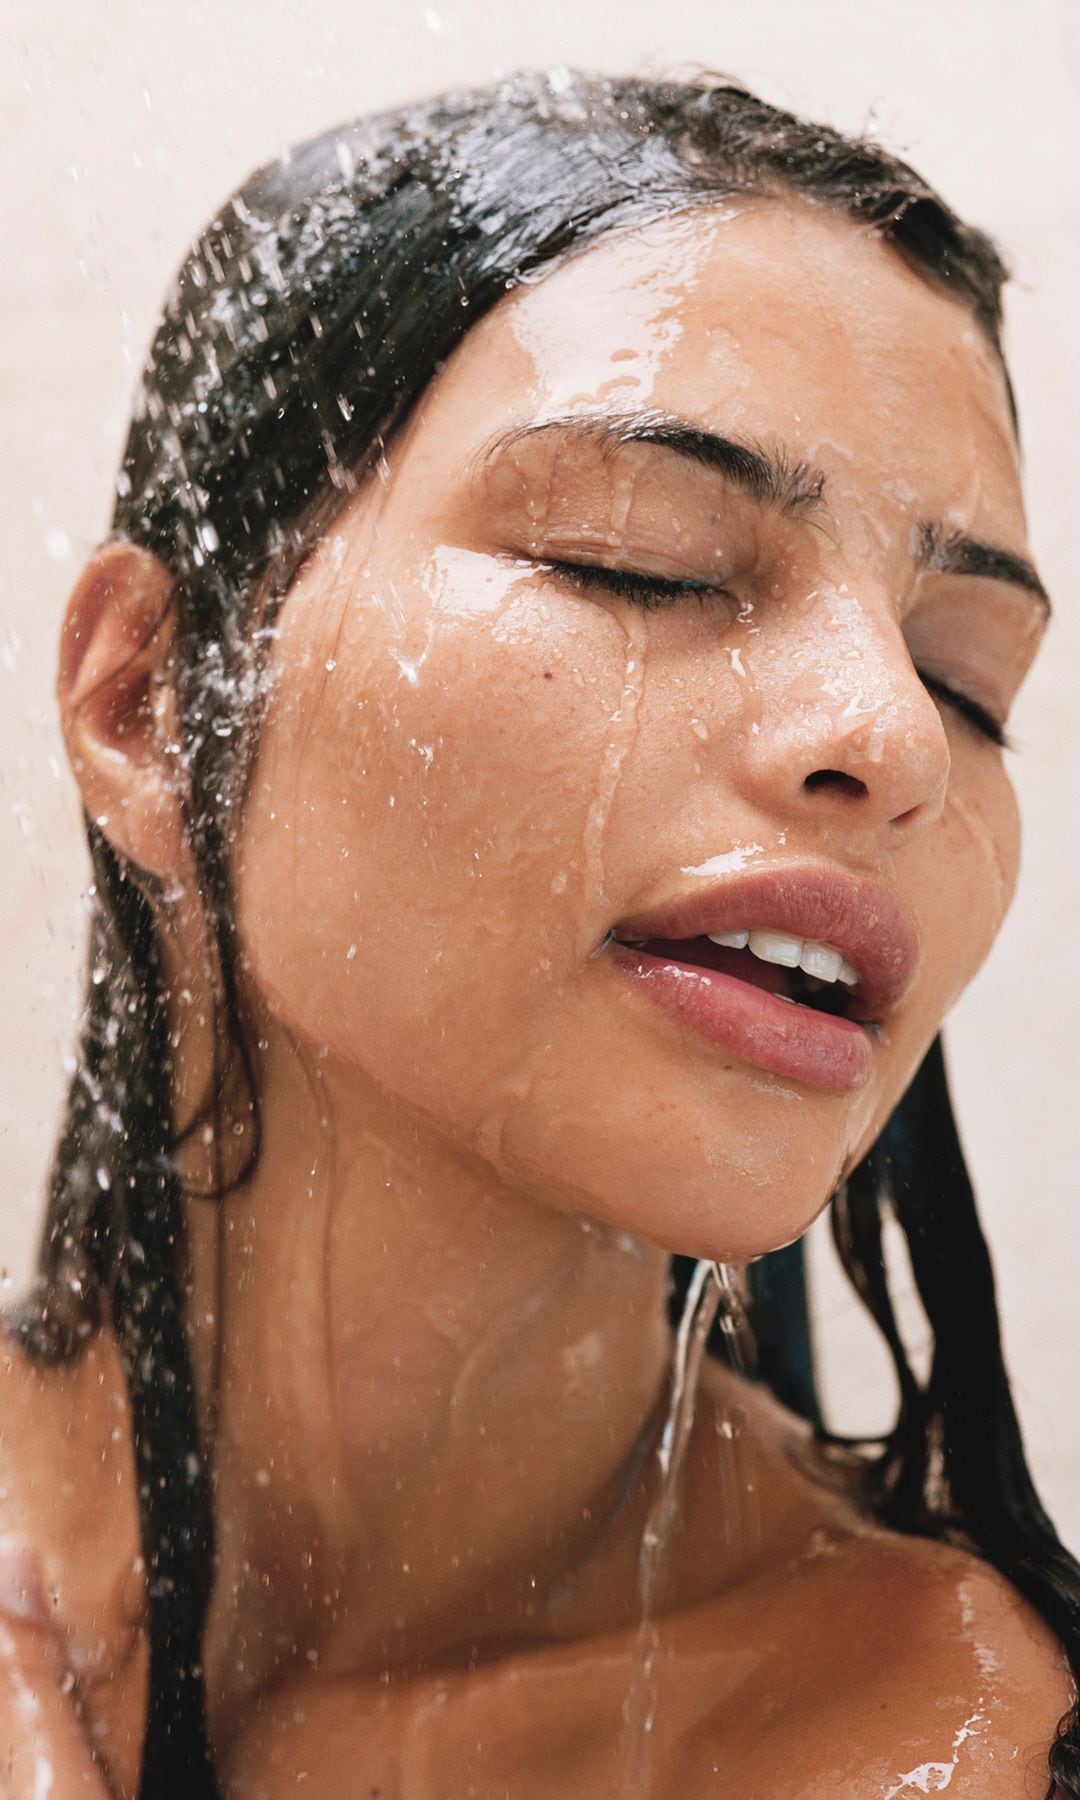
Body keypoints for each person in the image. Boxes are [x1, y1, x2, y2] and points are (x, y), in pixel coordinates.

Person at [0, 68, 1076, 1799]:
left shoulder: (941, 1743)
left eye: (970, 682)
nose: (890, 739)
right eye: (640, 560)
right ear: (148, 705)